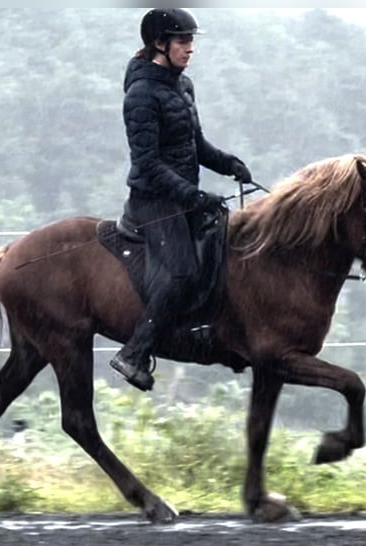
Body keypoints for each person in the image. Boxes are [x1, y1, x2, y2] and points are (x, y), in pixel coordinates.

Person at [109, 8, 253, 392]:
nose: (190, 49)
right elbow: (148, 164)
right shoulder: (140, 95)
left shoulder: (182, 86)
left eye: (191, 41)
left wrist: (228, 163)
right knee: (182, 272)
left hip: (184, 197)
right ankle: (134, 353)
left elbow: (196, 145)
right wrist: (195, 195)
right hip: (153, 202)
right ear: (160, 43)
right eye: (183, 41)